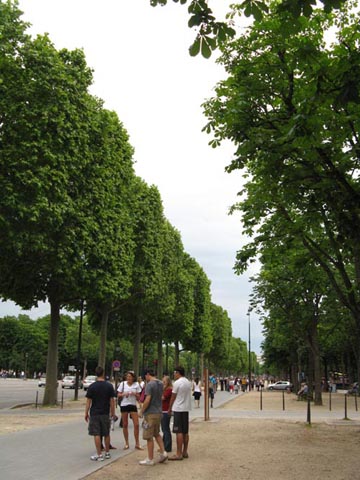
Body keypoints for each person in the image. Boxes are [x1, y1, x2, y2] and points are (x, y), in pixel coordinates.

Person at [85, 365, 116, 462]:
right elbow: (112, 400)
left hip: (95, 412)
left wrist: (86, 412)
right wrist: (112, 412)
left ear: (96, 374)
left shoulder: (92, 386)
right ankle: (107, 452)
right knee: (106, 433)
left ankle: (99, 454)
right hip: (105, 412)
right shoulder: (109, 386)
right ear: (103, 374)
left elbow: (88, 401)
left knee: (96, 433)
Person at [139, 368, 168, 466]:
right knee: (157, 433)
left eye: (145, 376)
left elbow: (147, 399)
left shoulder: (149, 385)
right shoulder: (160, 383)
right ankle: (163, 452)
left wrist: (141, 411)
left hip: (150, 413)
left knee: (148, 436)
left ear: (147, 375)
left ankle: (150, 458)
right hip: (159, 411)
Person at [168, 365, 192, 460]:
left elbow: (173, 396)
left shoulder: (177, 383)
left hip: (178, 408)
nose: (174, 375)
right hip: (186, 408)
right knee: (185, 431)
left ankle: (178, 453)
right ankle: (185, 451)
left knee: (179, 431)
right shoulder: (188, 382)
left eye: (174, 373)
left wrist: (169, 408)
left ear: (178, 373)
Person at [117, 371, 143, 450]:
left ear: (133, 377)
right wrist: (124, 394)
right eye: (127, 376)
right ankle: (126, 443)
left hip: (132, 404)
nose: (129, 378)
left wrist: (135, 394)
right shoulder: (123, 384)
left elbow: (139, 397)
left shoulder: (136, 384)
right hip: (124, 404)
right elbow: (118, 394)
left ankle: (137, 443)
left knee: (136, 424)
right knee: (125, 424)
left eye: (130, 377)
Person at [161, 375, 173, 453]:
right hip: (163, 410)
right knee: (164, 428)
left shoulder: (169, 390)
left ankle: (167, 446)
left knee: (165, 429)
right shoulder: (165, 389)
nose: (163, 382)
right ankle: (164, 445)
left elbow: (163, 398)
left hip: (165, 410)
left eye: (164, 381)